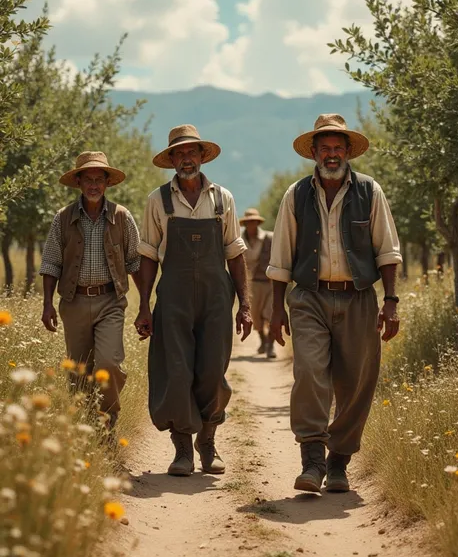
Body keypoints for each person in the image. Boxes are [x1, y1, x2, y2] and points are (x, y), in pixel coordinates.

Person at [268, 114, 402, 493]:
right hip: (309, 296)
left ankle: (339, 462)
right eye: (324, 148)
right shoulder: (296, 195)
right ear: (313, 152)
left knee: (357, 382)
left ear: (347, 152)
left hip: (359, 297)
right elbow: (280, 257)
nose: (331, 154)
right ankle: (311, 461)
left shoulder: (370, 191)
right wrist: (276, 310)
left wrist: (390, 301)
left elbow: (387, 251)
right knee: (310, 371)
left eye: (337, 148)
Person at [134, 125, 252, 477]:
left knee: (213, 370)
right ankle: (183, 448)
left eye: (192, 152)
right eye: (179, 153)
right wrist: (143, 305)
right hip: (173, 295)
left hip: (217, 296)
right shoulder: (159, 200)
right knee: (176, 370)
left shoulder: (222, 199)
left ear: (202, 156)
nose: (186, 159)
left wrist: (245, 304)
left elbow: (235, 252)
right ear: (171, 160)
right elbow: (148, 255)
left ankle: (208, 442)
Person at [40, 151, 141, 429]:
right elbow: (51, 263)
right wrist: (47, 304)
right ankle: (85, 428)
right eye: (88, 179)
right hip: (74, 302)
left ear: (107, 183)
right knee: (79, 371)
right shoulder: (63, 218)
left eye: (99, 179)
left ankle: (108, 420)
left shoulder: (122, 216)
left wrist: (146, 307)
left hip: (111, 300)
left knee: (108, 363)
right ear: (79, 183)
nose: (94, 185)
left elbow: (136, 262)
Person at [240, 208, 275, 358]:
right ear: (245, 224)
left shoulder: (270, 238)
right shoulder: (240, 241)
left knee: (271, 314)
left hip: (271, 283)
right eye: (248, 222)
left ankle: (271, 346)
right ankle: (264, 340)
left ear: (258, 222)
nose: (251, 224)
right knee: (255, 316)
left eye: (254, 221)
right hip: (252, 283)